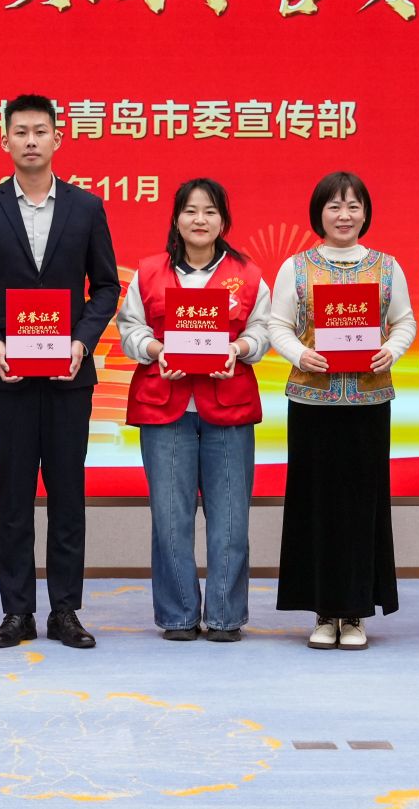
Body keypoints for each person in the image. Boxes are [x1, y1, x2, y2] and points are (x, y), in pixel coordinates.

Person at [0, 93, 120, 649]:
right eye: (20, 131)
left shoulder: (86, 208)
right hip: (10, 378)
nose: (30, 140)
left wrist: (82, 341)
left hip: (70, 377)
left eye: (39, 131)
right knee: (14, 496)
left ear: (57, 138)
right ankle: (17, 611)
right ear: (4, 140)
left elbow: (106, 287)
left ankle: (65, 611)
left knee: (68, 496)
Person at [115, 178, 270, 643]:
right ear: (176, 219)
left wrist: (239, 348)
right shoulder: (148, 272)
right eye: (190, 211)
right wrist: (155, 349)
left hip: (229, 406)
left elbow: (263, 329)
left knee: (230, 520)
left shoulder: (249, 275)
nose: (200, 220)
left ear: (224, 220)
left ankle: (225, 616)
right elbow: (130, 328)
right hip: (165, 407)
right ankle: (178, 614)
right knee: (170, 518)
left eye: (210, 211)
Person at [267, 172, 416, 651]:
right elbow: (277, 325)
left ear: (366, 213)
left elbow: (404, 322)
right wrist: (299, 354)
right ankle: (323, 610)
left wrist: (391, 351)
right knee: (316, 505)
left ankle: (354, 613)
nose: (344, 215)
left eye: (353, 206)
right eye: (334, 206)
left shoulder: (387, 267)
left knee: (361, 506)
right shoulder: (297, 267)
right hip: (312, 403)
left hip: (368, 403)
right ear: (319, 214)